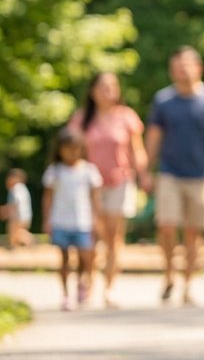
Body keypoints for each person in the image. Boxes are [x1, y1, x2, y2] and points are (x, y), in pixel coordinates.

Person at [145, 46, 204, 305]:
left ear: (198, 67)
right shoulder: (163, 100)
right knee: (167, 225)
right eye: (176, 66)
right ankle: (169, 274)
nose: (181, 71)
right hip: (169, 173)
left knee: (194, 231)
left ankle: (187, 283)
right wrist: (146, 171)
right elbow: (153, 137)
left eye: (186, 65)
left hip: (201, 175)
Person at [68, 72, 149, 307]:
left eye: (112, 86)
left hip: (119, 182)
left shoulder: (127, 117)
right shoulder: (81, 119)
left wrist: (143, 176)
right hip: (88, 187)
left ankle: (110, 287)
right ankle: (87, 280)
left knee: (114, 238)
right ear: (93, 91)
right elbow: (71, 151)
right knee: (89, 237)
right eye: (103, 87)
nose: (108, 91)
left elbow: (137, 150)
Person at [41, 127, 102, 310]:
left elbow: (95, 197)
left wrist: (96, 218)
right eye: (67, 149)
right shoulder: (55, 171)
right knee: (64, 258)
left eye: (75, 149)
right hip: (60, 221)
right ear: (60, 150)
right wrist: (47, 219)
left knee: (86, 256)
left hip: (82, 221)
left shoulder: (88, 170)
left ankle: (83, 283)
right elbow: (48, 197)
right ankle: (66, 294)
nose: (71, 153)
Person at [4, 168, 34, 249]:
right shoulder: (22, 188)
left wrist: (5, 211)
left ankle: (28, 241)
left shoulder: (16, 188)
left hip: (19, 216)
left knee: (15, 231)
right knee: (17, 232)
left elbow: (16, 203)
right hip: (25, 216)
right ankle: (14, 247)